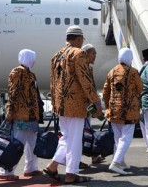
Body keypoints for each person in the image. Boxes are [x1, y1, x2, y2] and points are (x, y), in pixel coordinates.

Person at [44, 25, 101, 184]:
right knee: (75, 140)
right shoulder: (79, 53)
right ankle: (71, 174)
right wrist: (95, 101)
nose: (82, 42)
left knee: (67, 138)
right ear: (78, 38)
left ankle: (53, 166)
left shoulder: (57, 55)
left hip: (60, 105)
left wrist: (55, 104)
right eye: (82, 39)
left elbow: (53, 82)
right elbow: (85, 80)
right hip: (75, 105)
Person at [0, 49, 42, 181]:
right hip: (20, 115)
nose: (34, 61)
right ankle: (5, 171)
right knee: (17, 144)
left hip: (32, 116)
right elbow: (13, 94)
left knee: (32, 144)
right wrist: (10, 112)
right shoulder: (17, 72)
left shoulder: (31, 74)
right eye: (32, 58)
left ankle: (31, 168)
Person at [103, 48, 143, 175]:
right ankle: (115, 162)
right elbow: (140, 89)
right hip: (129, 111)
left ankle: (121, 162)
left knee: (118, 138)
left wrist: (108, 106)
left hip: (114, 110)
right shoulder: (133, 72)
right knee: (126, 138)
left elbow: (105, 91)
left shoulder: (112, 71)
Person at [79, 43, 106, 168]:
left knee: (87, 131)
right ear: (86, 54)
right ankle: (76, 160)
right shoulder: (82, 68)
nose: (95, 56)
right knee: (80, 133)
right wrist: (97, 105)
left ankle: (94, 156)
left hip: (88, 106)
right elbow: (88, 89)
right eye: (93, 53)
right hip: (82, 107)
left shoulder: (88, 68)